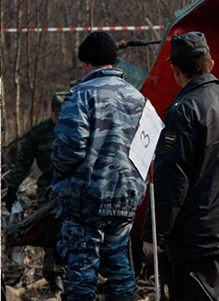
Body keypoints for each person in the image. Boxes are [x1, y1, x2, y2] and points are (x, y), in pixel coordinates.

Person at [146, 31, 219, 300]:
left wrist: (154, 233)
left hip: (195, 236)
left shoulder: (184, 110)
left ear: (174, 70)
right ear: (211, 64)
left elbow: (173, 179)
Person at [51, 31, 147, 301]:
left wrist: (60, 180)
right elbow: (147, 148)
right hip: (127, 198)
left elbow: (69, 148)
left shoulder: (81, 95)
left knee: (82, 275)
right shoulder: (138, 98)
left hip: (86, 199)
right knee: (119, 269)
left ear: (87, 63)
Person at [3, 91, 67, 292]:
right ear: (51, 112)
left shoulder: (79, 127)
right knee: (51, 231)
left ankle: (75, 275)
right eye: (58, 115)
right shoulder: (38, 133)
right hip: (48, 189)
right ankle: (55, 276)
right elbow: (22, 163)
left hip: (74, 187)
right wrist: (12, 187)